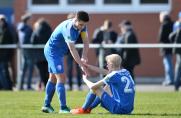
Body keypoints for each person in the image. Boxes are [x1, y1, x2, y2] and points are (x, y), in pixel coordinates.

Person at [42, 11, 90, 113]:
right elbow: (72, 49)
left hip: (58, 53)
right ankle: (63, 108)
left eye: (84, 25)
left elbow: (86, 41)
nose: (82, 27)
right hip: (52, 52)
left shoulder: (82, 26)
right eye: (81, 24)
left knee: (53, 78)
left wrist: (84, 56)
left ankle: (46, 106)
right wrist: (81, 65)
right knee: (62, 77)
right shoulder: (68, 28)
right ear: (76, 20)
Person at [71, 54, 135, 114]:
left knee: (96, 88)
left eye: (107, 64)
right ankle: (88, 108)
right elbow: (106, 72)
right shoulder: (125, 72)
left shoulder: (112, 76)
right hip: (129, 109)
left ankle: (83, 110)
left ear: (111, 65)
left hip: (120, 109)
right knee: (106, 87)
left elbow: (93, 87)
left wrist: (85, 79)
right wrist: (89, 66)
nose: (106, 66)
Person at [31, 18, 52, 90]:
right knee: (47, 72)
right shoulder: (49, 30)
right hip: (47, 55)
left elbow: (32, 41)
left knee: (41, 72)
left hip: (38, 56)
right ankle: (48, 86)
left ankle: (45, 85)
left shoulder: (36, 30)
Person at [17, 13, 34, 90]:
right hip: (28, 50)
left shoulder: (19, 28)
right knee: (30, 68)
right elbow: (30, 40)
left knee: (23, 69)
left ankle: (20, 86)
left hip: (23, 50)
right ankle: (28, 86)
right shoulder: (28, 29)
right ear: (28, 20)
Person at [65, 13, 83, 91]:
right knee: (69, 68)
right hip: (69, 51)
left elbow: (82, 40)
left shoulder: (80, 28)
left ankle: (79, 85)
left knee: (79, 67)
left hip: (78, 51)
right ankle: (69, 85)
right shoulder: (67, 28)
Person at [158, 11, 174, 86]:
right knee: (170, 63)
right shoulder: (173, 24)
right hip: (172, 47)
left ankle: (169, 79)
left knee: (167, 64)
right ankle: (170, 79)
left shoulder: (164, 25)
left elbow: (160, 38)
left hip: (165, 48)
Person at [0, 14, 14, 90]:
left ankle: (6, 87)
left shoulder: (6, 30)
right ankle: (7, 86)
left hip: (4, 55)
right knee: (5, 71)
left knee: (4, 72)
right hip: (4, 55)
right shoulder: (4, 29)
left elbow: (2, 42)